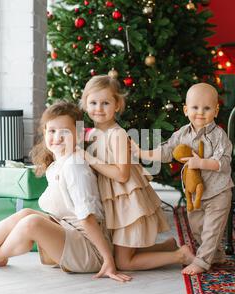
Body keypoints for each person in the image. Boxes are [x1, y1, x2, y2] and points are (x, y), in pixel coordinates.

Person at [0, 101, 131, 283]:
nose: (57, 137)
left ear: (78, 134)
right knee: (25, 215)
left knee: (32, 222)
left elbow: (88, 218)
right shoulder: (60, 163)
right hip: (70, 233)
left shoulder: (74, 167)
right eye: (51, 131)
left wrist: (108, 260)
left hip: (90, 250)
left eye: (65, 132)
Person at [79, 75, 194, 271]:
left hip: (127, 204)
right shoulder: (90, 134)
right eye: (93, 102)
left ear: (117, 105)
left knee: (123, 262)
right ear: (85, 104)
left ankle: (179, 255)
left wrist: (88, 158)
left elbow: (122, 175)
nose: (98, 108)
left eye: (105, 103)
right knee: (119, 253)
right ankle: (167, 246)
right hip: (114, 203)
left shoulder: (118, 135)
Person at [134, 82, 235, 275]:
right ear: (186, 110)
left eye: (207, 108)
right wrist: (142, 152)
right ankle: (216, 256)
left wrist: (202, 163)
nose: (200, 112)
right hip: (194, 193)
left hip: (218, 191)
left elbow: (224, 162)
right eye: (195, 107)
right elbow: (166, 151)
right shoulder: (182, 134)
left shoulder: (219, 136)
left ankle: (202, 262)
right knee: (198, 229)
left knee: (211, 230)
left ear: (216, 110)